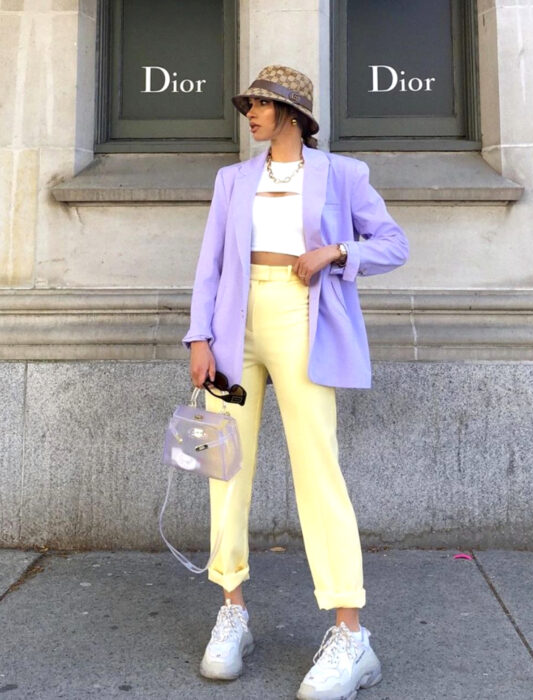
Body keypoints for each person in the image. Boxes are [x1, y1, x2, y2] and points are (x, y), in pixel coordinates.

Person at [183, 64, 409, 700]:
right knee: (223, 470)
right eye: (249, 104)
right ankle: (232, 611)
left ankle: (350, 633)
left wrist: (337, 253)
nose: (249, 114)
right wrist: (198, 338)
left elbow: (393, 243)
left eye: (259, 105)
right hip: (234, 324)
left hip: (304, 316)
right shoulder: (233, 180)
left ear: (290, 114)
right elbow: (211, 265)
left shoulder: (342, 174)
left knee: (319, 469)